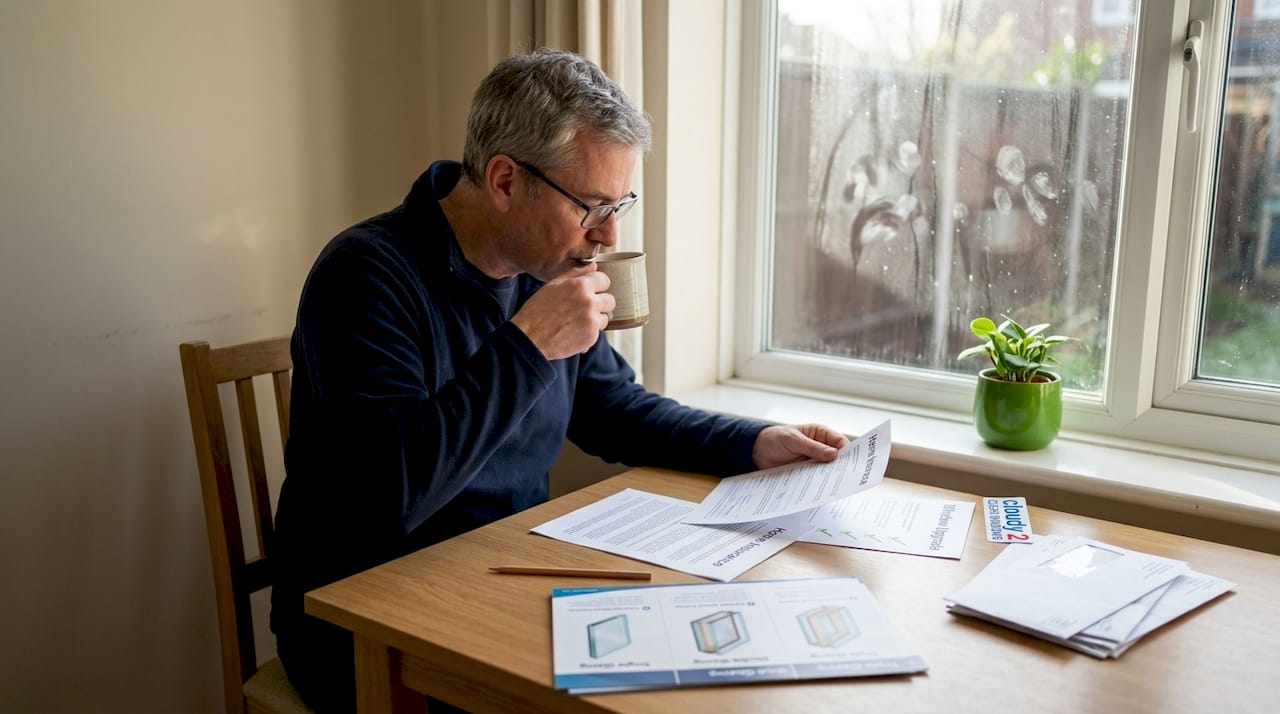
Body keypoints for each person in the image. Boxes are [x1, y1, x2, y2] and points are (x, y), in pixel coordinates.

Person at [270, 47, 849, 712]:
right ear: (506, 180)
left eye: (619, 203)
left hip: (503, 578)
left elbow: (615, 410)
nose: (607, 233)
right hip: (362, 617)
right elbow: (388, 496)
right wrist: (528, 343)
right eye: (591, 205)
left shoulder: (541, 268)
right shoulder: (365, 275)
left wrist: (755, 443)